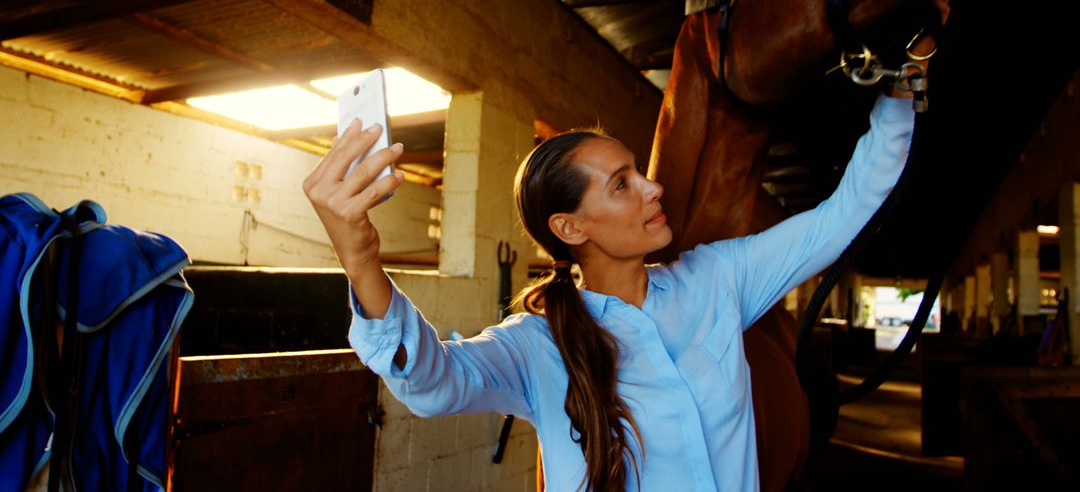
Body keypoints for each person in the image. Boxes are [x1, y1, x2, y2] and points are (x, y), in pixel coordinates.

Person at [303, 85, 918, 491]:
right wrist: (361, 259)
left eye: (638, 173)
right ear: (570, 227)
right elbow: (433, 382)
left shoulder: (717, 281)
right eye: (622, 184)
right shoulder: (537, 346)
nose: (652, 188)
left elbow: (847, 210)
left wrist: (898, 88)